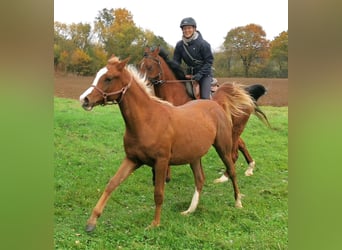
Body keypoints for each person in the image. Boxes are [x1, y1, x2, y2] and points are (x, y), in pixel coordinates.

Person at [173, 17, 214, 99]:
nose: (186, 30)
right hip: (189, 75)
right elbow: (176, 63)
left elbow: (209, 62)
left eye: (189, 28)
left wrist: (199, 74)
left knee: (205, 98)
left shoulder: (204, 44)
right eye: (184, 28)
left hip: (204, 75)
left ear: (194, 29)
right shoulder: (179, 45)